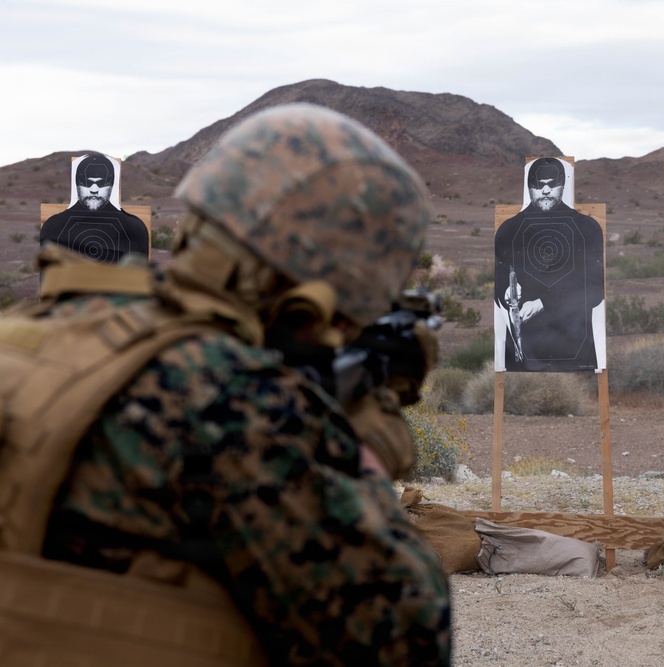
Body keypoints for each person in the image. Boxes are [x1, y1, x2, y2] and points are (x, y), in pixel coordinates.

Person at [0, 104, 450, 665]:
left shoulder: (29, 336)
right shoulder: (237, 402)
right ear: (326, 284)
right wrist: (359, 452)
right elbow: (405, 637)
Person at [494, 157, 605, 372]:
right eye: (538, 184)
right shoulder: (509, 229)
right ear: (529, 187)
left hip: (574, 343)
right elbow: (500, 274)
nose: (545, 190)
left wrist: (544, 302)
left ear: (563, 185)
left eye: (551, 184)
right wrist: (506, 290)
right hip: (523, 349)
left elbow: (595, 290)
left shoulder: (586, 227)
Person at [39, 152, 150, 263]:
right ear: (77, 183)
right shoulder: (54, 227)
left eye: (101, 183)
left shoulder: (134, 229)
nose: (94, 190)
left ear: (111, 185)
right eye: (87, 183)